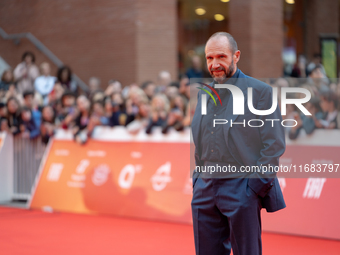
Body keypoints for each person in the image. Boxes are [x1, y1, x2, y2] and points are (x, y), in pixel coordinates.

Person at [191, 32, 286, 255]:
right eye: (209, 58)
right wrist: (197, 180)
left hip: (242, 186)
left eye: (221, 57)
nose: (215, 64)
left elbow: (274, 145)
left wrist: (252, 188)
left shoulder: (260, 92)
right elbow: (201, 138)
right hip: (206, 186)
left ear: (236, 56)